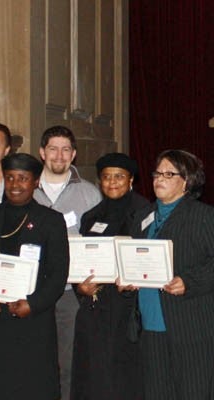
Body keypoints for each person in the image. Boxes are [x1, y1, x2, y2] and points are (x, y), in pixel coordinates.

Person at [0, 153, 69, 399]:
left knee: (34, 387)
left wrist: (32, 305)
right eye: (9, 178)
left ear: (35, 182)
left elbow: (58, 274)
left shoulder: (50, 221)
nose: (15, 185)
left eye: (23, 178)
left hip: (33, 322)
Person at [120, 149, 214, 400]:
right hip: (150, 325)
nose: (159, 179)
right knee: (156, 392)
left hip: (190, 326)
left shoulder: (204, 217)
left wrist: (189, 282)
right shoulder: (143, 216)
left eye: (169, 174)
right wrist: (126, 278)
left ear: (187, 181)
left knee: (192, 392)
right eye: (157, 173)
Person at [70, 153, 148, 400]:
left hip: (131, 310)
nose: (112, 182)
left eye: (119, 177)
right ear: (100, 181)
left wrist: (136, 281)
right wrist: (80, 288)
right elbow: (80, 261)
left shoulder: (146, 213)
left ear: (131, 180)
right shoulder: (91, 217)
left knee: (127, 376)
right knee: (94, 375)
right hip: (96, 308)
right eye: (106, 177)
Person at [33, 125, 101, 400]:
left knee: (69, 361)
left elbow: (99, 246)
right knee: (33, 361)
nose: (58, 156)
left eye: (65, 150)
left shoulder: (90, 194)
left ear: (73, 154)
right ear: (42, 152)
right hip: (32, 291)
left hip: (71, 295)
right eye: (52, 149)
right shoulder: (25, 189)